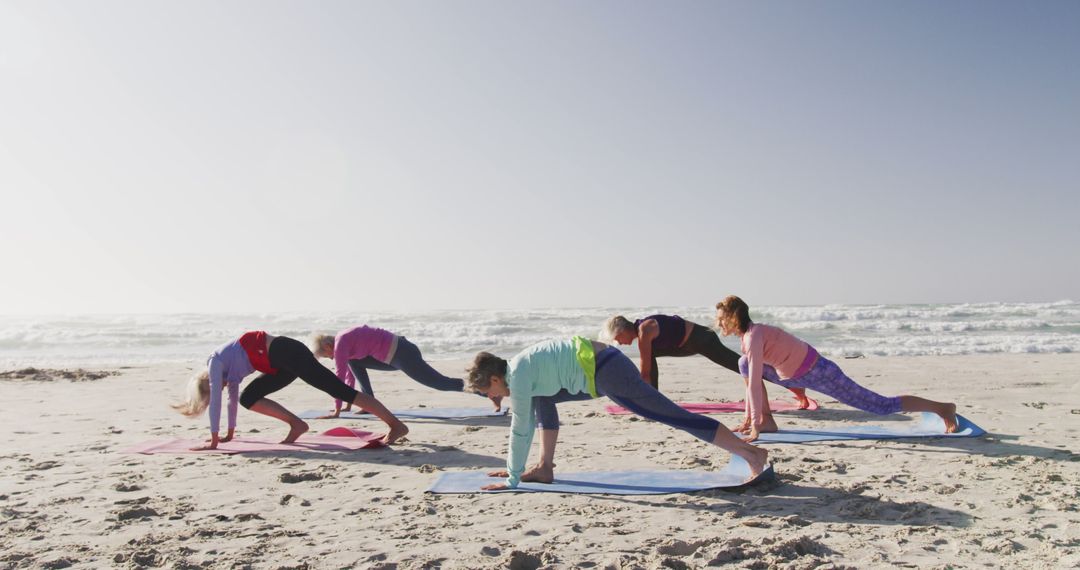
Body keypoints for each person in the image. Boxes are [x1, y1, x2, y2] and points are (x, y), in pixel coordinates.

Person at [465, 337, 770, 490]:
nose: (490, 398)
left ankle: (751, 455)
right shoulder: (521, 369)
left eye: (486, 392)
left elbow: (521, 428)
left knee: (672, 415)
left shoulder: (518, 378)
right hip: (599, 369)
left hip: (607, 370)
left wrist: (513, 478)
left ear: (495, 380)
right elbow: (533, 413)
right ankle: (545, 468)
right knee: (541, 400)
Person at [714, 296, 958, 442]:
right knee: (743, 364)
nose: (718, 322)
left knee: (880, 406)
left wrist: (753, 424)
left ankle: (942, 408)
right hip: (790, 374)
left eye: (722, 317)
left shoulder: (754, 337)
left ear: (734, 317)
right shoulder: (750, 337)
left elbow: (756, 382)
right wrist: (749, 419)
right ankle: (765, 421)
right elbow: (751, 380)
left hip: (818, 371)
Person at [173, 331, 409, 449]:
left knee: (340, 390)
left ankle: (395, 425)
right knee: (249, 397)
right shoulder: (228, 373)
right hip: (278, 363)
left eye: (215, 389)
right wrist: (228, 435)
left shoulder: (215, 363)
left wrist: (213, 441)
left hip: (286, 352)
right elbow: (231, 401)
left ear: (208, 385)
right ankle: (297, 425)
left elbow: (217, 403)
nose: (221, 389)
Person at [604, 313, 811, 408]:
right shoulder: (642, 335)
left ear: (622, 330)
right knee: (648, 356)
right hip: (688, 345)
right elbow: (647, 367)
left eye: (617, 338)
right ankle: (654, 397)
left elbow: (646, 372)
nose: (619, 343)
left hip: (701, 339)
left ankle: (794, 387)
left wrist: (641, 397)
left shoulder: (645, 330)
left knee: (742, 366)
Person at [310, 325, 501, 417]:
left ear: (328, 345)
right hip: (394, 354)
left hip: (401, 353)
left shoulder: (341, 343)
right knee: (355, 363)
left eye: (327, 355)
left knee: (440, 383)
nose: (331, 358)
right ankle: (368, 403)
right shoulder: (344, 344)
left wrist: (336, 410)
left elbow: (339, 376)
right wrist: (347, 405)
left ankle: (487, 392)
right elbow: (349, 375)